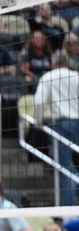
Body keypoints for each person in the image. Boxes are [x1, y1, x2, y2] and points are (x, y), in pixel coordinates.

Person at [34, 52, 79, 206]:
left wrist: (38, 121)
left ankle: (67, 209)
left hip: (61, 126)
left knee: (65, 169)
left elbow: (39, 102)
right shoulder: (77, 76)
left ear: (53, 63)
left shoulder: (48, 77)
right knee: (70, 167)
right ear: (68, 62)